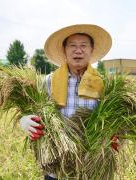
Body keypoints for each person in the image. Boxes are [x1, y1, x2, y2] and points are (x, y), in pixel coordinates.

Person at [19, 24, 118, 180]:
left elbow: (118, 121)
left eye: (84, 46)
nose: (78, 50)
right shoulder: (48, 82)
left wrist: (116, 135)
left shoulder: (105, 85)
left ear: (91, 50)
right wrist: (25, 121)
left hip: (93, 168)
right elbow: (31, 109)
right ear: (64, 51)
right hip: (56, 167)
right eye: (72, 46)